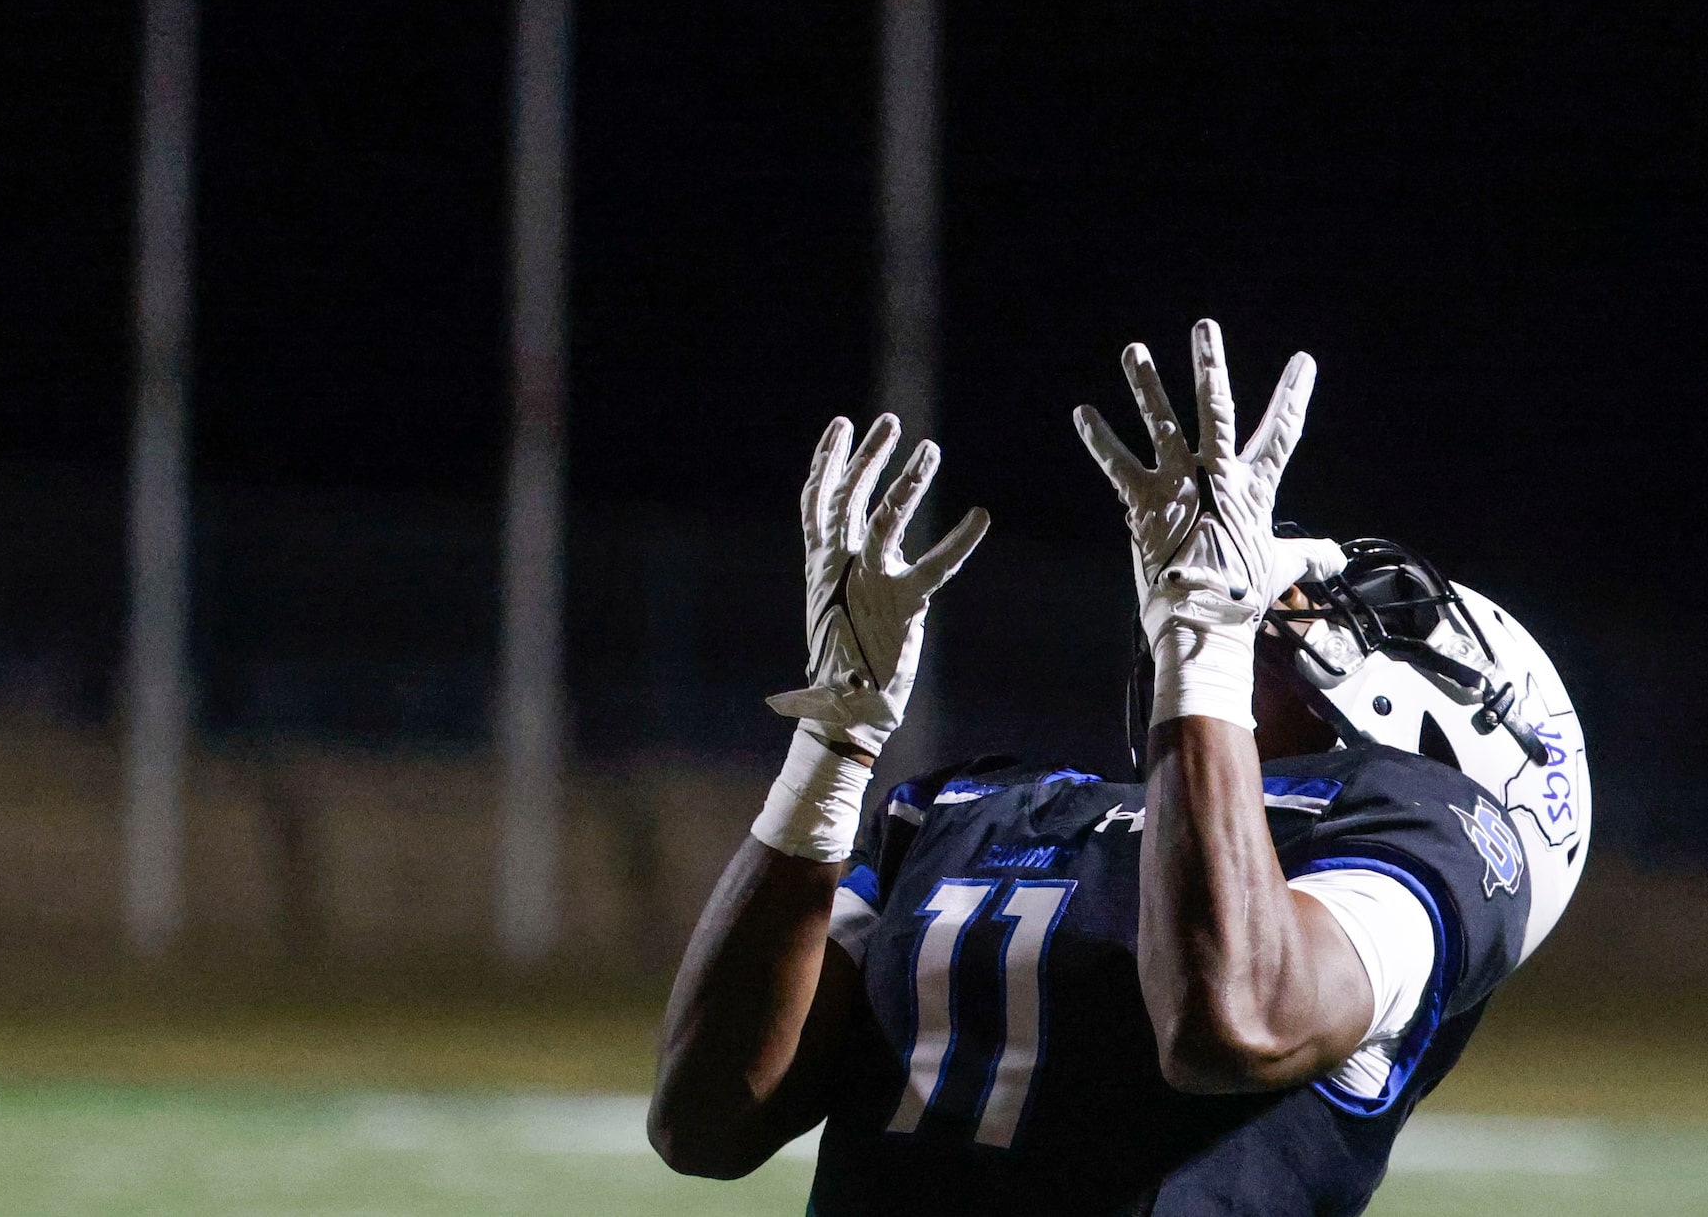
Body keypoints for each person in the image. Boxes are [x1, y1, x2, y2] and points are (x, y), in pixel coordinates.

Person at [649, 320, 1591, 1215]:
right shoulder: (959, 805)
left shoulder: (1430, 827)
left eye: (1358, 606)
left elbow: (1238, 1020)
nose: (1289, 601)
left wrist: (1208, 646)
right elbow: (704, 1122)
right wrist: (833, 742)